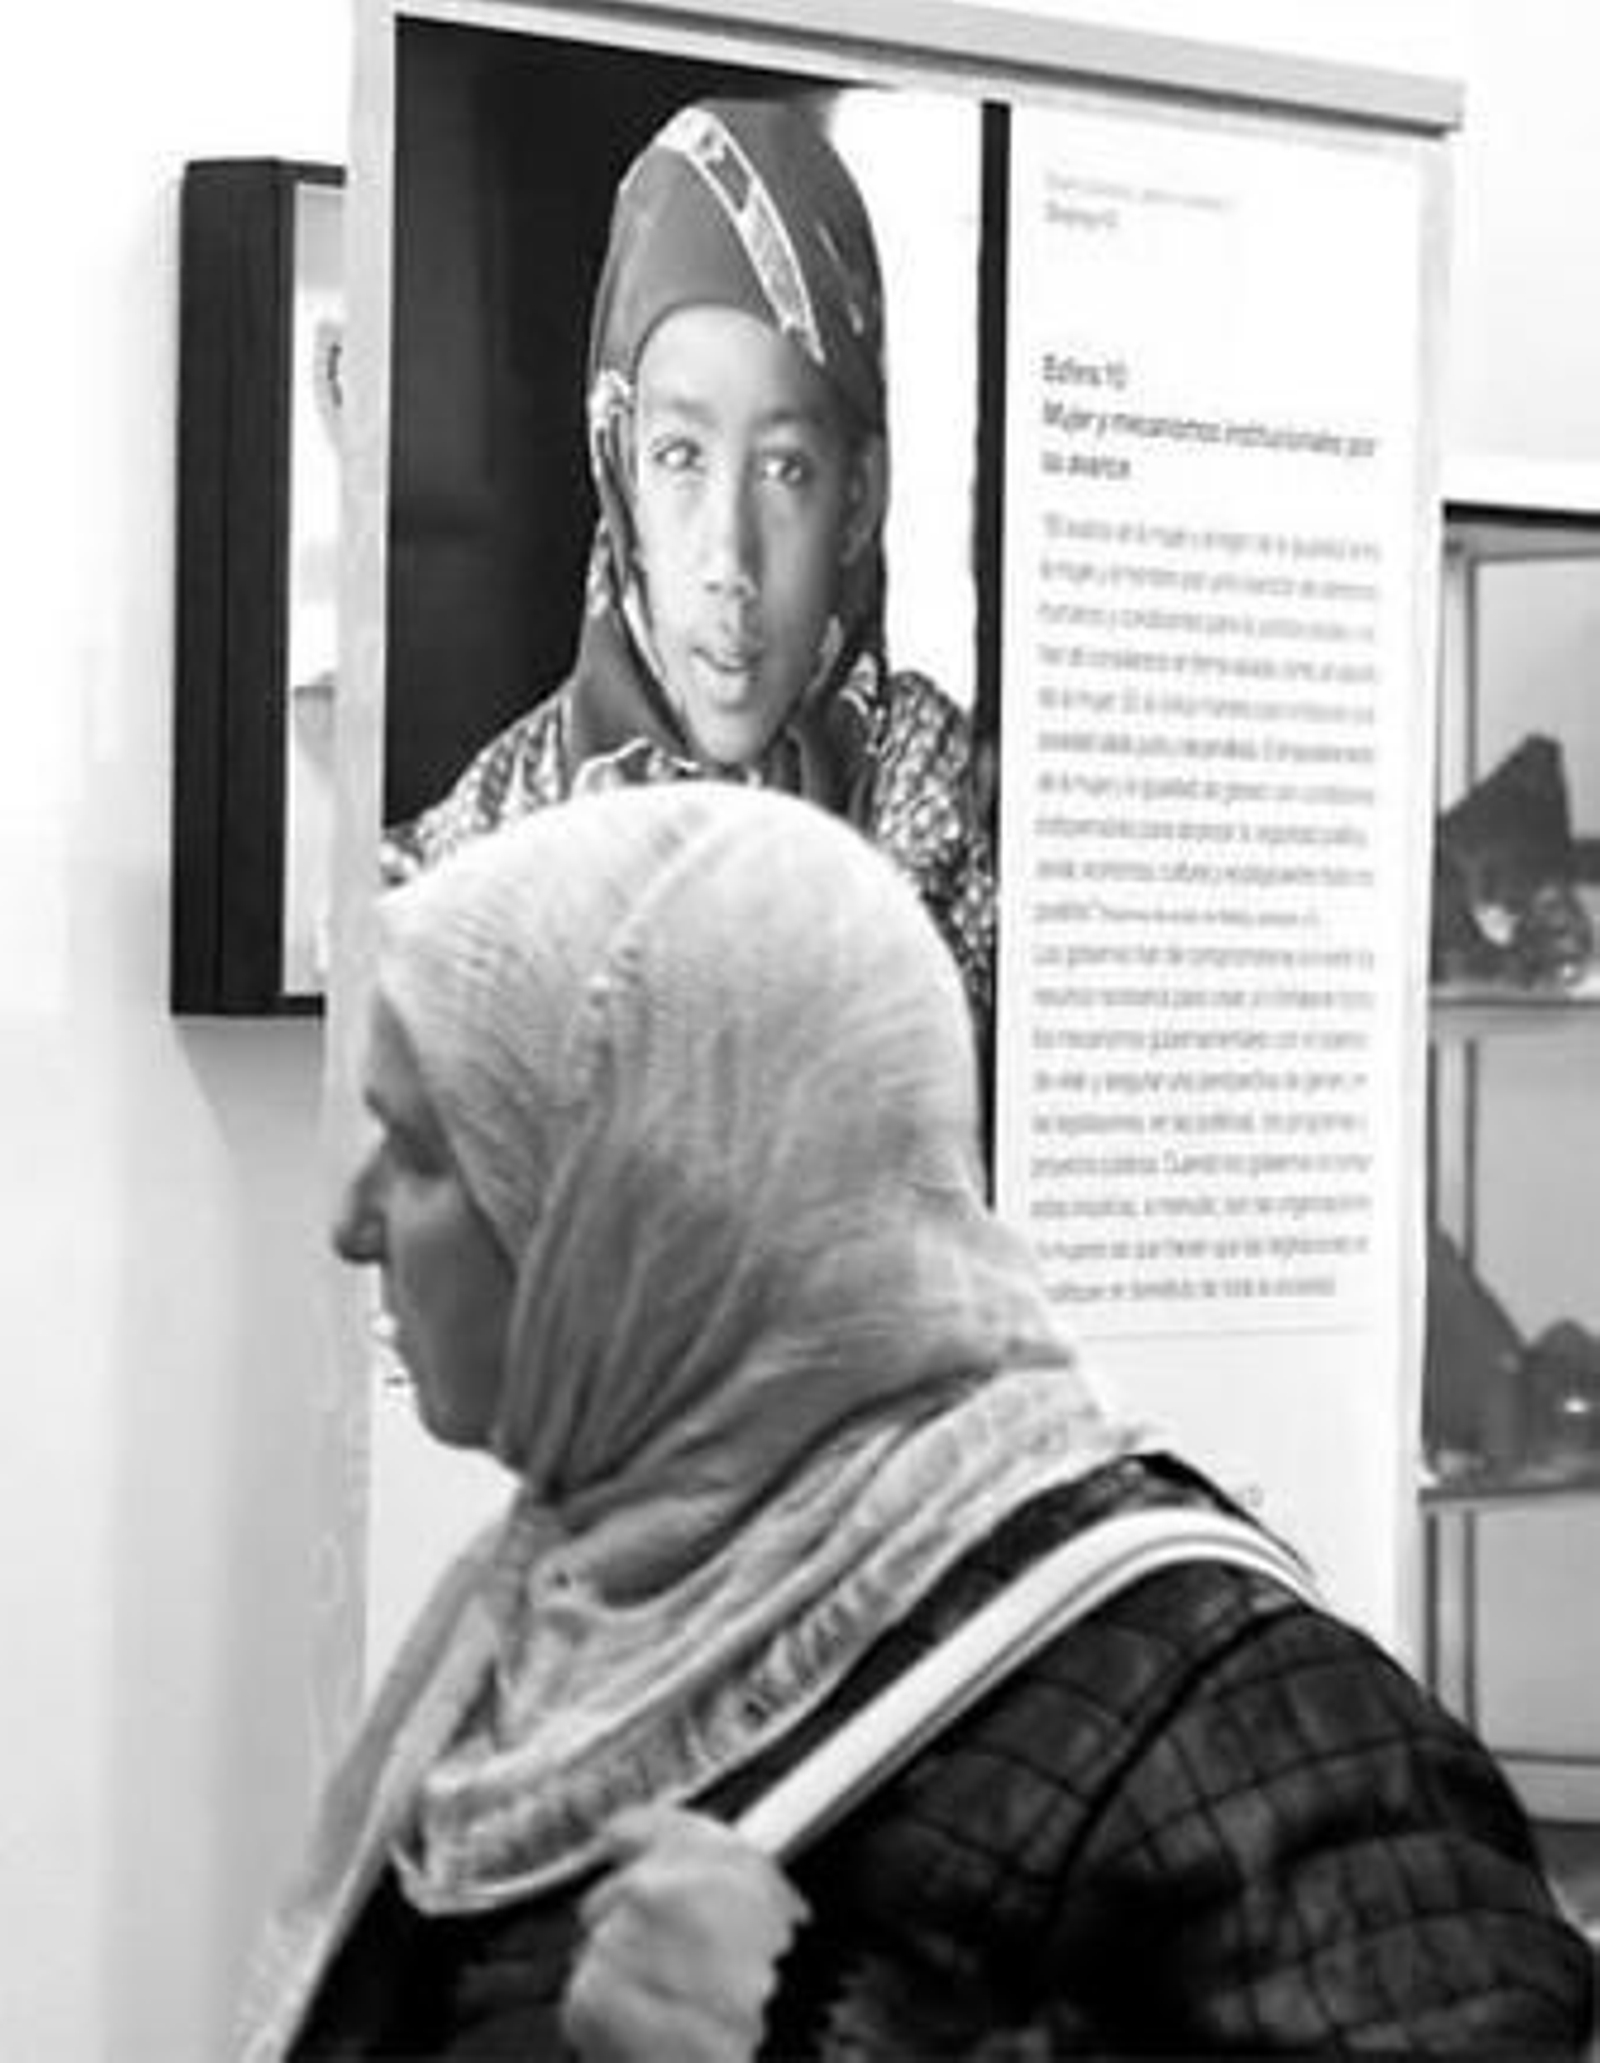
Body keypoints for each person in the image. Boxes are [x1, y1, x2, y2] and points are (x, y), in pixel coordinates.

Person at [238, 782, 1593, 2059]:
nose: (352, 1220)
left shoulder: (1229, 1710)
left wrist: (823, 2033)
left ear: (636, 1203)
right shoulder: (557, 1617)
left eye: (421, 1150)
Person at [381, 95, 995, 1025]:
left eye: (785, 469)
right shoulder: (512, 803)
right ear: (619, 467)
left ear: (858, 496)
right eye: (679, 457)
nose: (728, 558)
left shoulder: (924, 779)